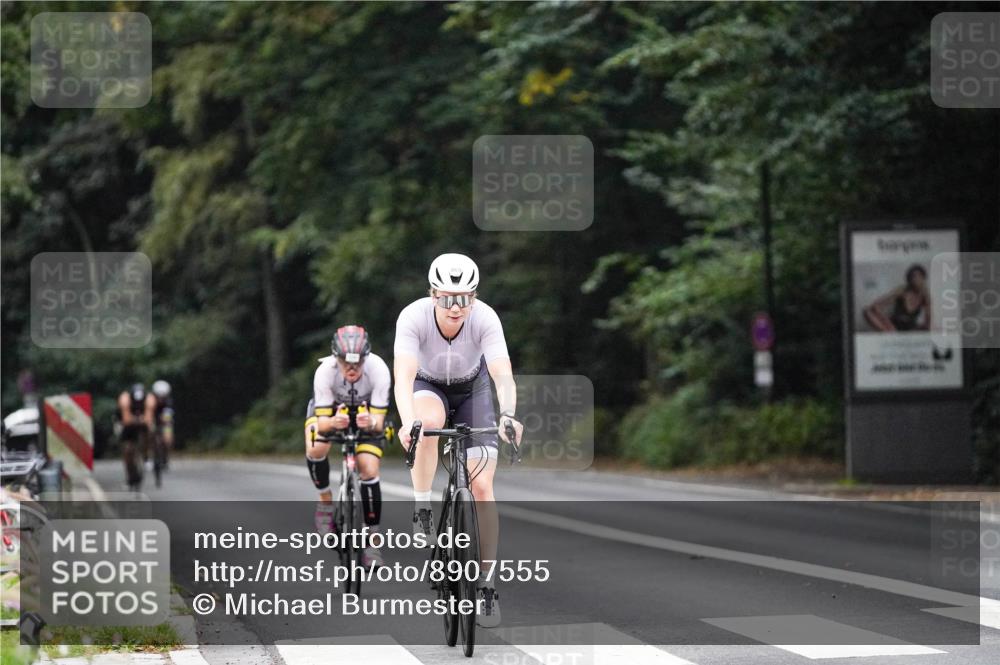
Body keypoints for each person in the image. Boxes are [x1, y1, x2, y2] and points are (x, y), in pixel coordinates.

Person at [394, 253, 523, 628]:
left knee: (482, 486)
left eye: (465, 298)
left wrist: (509, 414)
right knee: (427, 422)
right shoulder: (413, 317)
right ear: (432, 294)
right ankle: (422, 507)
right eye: (448, 298)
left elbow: (502, 375)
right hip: (427, 385)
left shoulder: (485, 318)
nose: (456, 307)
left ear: (475, 296)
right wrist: (407, 423)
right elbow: (403, 378)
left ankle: (485, 585)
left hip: (473, 390)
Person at [305, 325, 391, 567]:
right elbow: (322, 425)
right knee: (315, 447)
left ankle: (372, 543)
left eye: (358, 363)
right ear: (336, 358)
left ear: (366, 358)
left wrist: (371, 421)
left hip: (366, 414)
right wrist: (333, 421)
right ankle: (325, 502)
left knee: (369, 470)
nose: (352, 369)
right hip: (331, 412)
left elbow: (379, 423)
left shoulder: (379, 369)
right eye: (345, 363)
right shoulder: (325, 371)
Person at [863, 264, 931, 332]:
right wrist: (885, 320)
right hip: (893, 325)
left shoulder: (925, 295)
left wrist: (924, 328)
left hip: (910, 328)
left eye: (919, 276)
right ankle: (890, 332)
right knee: (867, 311)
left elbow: (928, 319)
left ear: (923, 278)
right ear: (909, 279)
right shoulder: (902, 291)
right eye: (914, 276)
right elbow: (878, 304)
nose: (916, 279)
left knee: (927, 328)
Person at [117, 383, 149, 490]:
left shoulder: (149, 400)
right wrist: (137, 420)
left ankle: (146, 456)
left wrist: (142, 420)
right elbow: (126, 420)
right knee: (127, 449)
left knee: (150, 432)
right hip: (126, 424)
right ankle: (129, 476)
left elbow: (149, 418)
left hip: (141, 423)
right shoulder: (125, 399)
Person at [147, 380, 175, 472]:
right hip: (152, 419)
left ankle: (165, 458)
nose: (161, 398)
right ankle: (150, 457)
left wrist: (165, 421)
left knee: (167, 437)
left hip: (165, 420)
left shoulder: (169, 401)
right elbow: (148, 414)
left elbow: (168, 417)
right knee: (149, 433)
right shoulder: (150, 399)